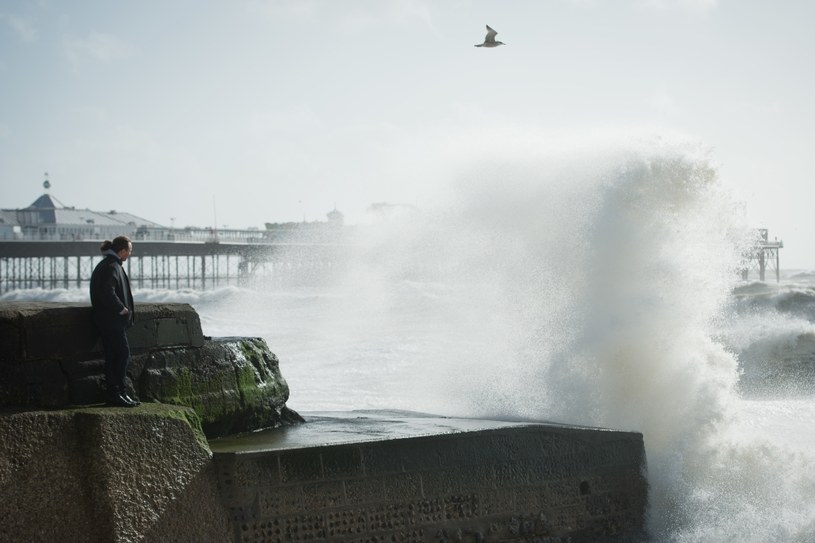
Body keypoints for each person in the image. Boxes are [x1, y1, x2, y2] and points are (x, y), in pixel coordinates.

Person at [90, 235, 140, 407]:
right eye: (130, 251)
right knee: (122, 354)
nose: (130, 254)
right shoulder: (111, 266)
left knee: (113, 355)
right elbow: (107, 293)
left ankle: (118, 393)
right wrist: (122, 308)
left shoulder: (110, 264)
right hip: (111, 321)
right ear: (122, 251)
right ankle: (116, 392)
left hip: (108, 321)